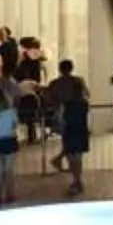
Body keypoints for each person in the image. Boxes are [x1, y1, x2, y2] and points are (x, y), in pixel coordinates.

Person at [47, 58, 92, 195]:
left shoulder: (56, 85)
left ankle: (76, 180)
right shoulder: (80, 88)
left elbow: (50, 98)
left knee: (71, 153)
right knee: (76, 154)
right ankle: (76, 179)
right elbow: (87, 96)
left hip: (67, 124)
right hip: (80, 125)